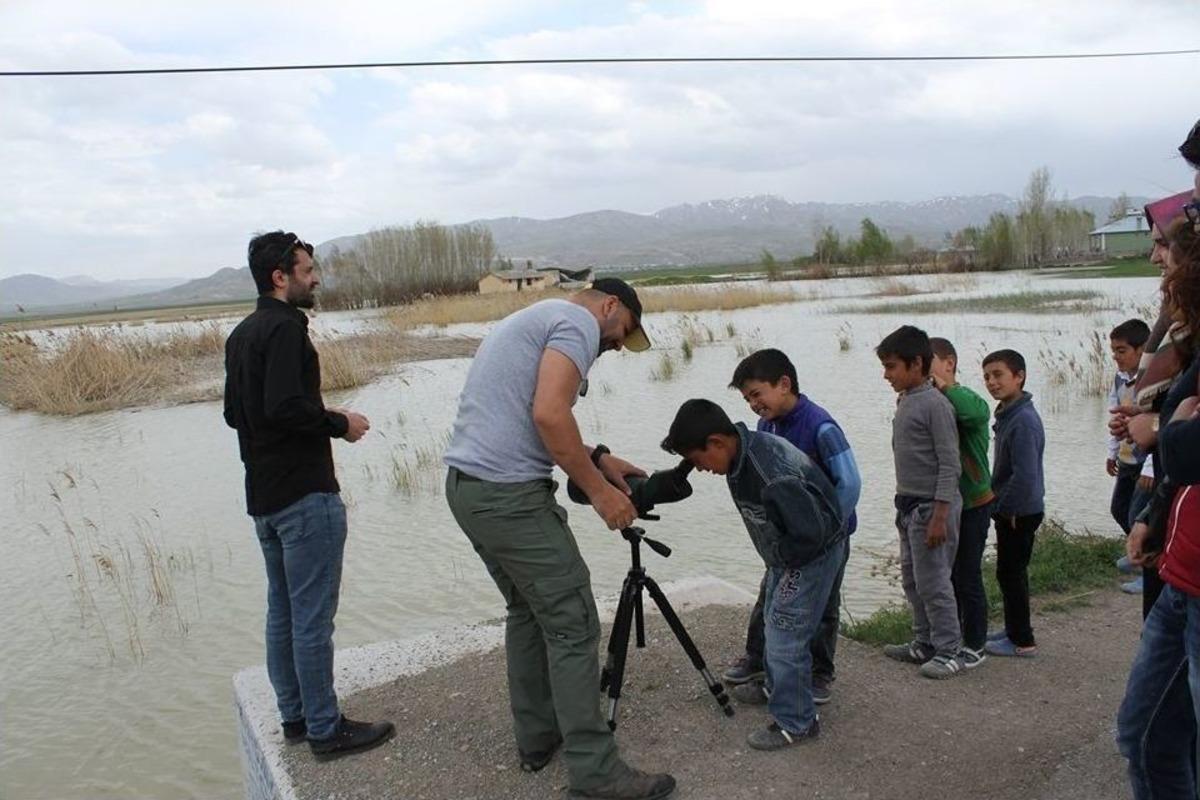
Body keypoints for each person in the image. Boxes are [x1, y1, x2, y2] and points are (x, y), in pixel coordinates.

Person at [443, 278, 675, 800]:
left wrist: (597, 458)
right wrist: (601, 494)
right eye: (622, 336)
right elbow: (549, 413)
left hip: (467, 489)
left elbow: (529, 417)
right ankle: (596, 774)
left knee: (527, 610)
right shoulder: (575, 323)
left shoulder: (536, 316)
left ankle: (538, 739)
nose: (615, 347)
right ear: (610, 306)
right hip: (508, 497)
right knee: (572, 621)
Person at [223, 231, 394, 760]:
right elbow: (284, 408)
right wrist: (340, 422)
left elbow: (236, 414)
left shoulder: (241, 334)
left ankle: (295, 718)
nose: (315, 278)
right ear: (281, 276)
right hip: (303, 495)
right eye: (308, 269)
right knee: (313, 619)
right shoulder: (284, 331)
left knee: (283, 613)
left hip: (264, 499)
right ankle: (325, 729)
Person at [659, 398, 845, 751]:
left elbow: (811, 534)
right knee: (776, 623)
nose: (700, 469)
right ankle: (781, 688)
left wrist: (786, 563)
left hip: (809, 555)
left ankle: (797, 721)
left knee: (785, 635)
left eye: (699, 461)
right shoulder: (739, 454)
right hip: (787, 554)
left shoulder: (769, 473)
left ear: (717, 442)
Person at [721, 349, 862, 705]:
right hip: (788, 540)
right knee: (770, 598)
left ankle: (819, 674)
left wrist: (825, 536)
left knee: (823, 606)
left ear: (784, 384)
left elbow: (850, 483)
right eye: (747, 399)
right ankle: (762, 663)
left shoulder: (821, 427)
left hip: (827, 540)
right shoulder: (766, 426)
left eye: (757, 394)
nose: (753, 404)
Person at [1117, 201, 1200, 800]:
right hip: (1183, 570)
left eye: (1169, 252)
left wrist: (1164, 430)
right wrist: (1151, 515)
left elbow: (1185, 441)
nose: (1161, 267)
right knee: (1143, 733)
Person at [875, 326, 965, 679]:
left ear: (916, 364)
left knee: (935, 582)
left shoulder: (935, 405)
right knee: (913, 580)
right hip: (909, 506)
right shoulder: (907, 400)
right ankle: (923, 641)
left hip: (932, 508)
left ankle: (949, 650)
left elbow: (949, 463)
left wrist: (940, 515)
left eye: (892, 367)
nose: (886, 375)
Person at [929, 337, 994, 667]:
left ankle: (976, 643)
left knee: (967, 574)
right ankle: (945, 636)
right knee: (945, 575)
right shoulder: (927, 401)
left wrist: (943, 387)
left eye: (929, 362)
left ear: (949, 363)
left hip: (973, 502)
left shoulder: (965, 398)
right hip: (943, 503)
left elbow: (975, 412)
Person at [981, 349, 1045, 659]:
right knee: (1008, 572)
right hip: (1012, 508)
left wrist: (1005, 508)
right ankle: (1012, 629)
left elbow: (1025, 474)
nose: (992, 382)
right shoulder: (1008, 414)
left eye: (998, 375)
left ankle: (1022, 640)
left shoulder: (1023, 420)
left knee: (1012, 573)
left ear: (1019, 376)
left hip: (1020, 511)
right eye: (987, 377)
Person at [1105, 319, 1152, 594]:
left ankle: (1148, 570)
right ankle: (1139, 551)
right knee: (1119, 508)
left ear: (1141, 349)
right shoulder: (1119, 379)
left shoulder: (1152, 380)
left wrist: (1150, 468)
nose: (1116, 357)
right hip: (1126, 458)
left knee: (1139, 513)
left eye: (1122, 351)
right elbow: (1115, 415)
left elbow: (1160, 424)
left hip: (1146, 461)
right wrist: (1111, 452)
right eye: (1114, 351)